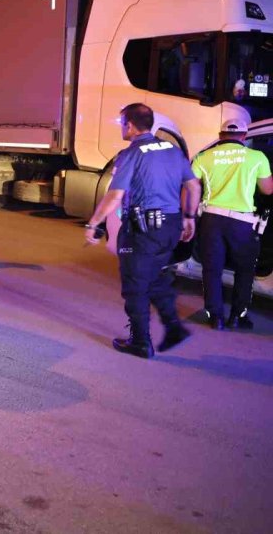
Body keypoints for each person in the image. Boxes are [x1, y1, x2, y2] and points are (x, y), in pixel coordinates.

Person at [84, 103, 201, 358]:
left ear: (129, 124)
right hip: (170, 227)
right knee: (154, 276)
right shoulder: (171, 149)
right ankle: (173, 328)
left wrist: (94, 223)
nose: (121, 127)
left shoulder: (130, 154)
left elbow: (115, 195)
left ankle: (140, 342)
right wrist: (189, 217)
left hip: (143, 229)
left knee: (135, 285)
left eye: (121, 122)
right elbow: (193, 186)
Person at [191, 119, 273, 330]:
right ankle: (238, 316)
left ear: (220, 136)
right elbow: (268, 189)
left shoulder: (203, 157)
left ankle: (215, 317)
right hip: (242, 223)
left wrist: (187, 216)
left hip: (212, 220)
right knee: (245, 270)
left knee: (212, 269)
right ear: (244, 137)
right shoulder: (257, 157)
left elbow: (191, 187)